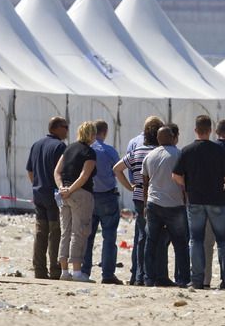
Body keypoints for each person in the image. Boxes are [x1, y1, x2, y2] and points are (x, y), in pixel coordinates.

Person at [172, 115, 225, 290]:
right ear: (210, 130)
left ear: (195, 130)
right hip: (217, 200)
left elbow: (175, 175)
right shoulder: (219, 151)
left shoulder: (187, 151)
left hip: (195, 200)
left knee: (196, 240)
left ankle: (197, 280)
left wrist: (187, 185)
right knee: (224, 241)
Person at [114, 116, 163, 285]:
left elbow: (117, 169)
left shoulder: (136, 150)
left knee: (142, 236)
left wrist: (130, 186)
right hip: (158, 197)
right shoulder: (161, 152)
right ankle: (153, 274)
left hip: (139, 197)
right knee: (156, 237)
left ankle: (138, 276)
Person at [142, 126, 189, 287]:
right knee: (180, 244)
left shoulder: (150, 156)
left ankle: (150, 278)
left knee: (151, 242)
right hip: (175, 204)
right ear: (172, 137)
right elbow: (184, 180)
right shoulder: (179, 154)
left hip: (154, 203)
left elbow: (145, 183)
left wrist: (144, 205)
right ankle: (183, 279)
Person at [81, 120, 125, 285]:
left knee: (87, 236)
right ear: (105, 132)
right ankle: (107, 274)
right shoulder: (109, 150)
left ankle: (84, 271)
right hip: (107, 196)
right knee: (109, 237)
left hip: (89, 196)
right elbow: (118, 169)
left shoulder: (85, 149)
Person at [54, 121, 98, 282]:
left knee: (65, 231)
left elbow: (57, 171)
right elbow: (84, 176)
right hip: (80, 193)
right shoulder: (89, 152)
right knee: (80, 231)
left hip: (64, 194)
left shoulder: (68, 148)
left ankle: (64, 271)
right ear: (92, 134)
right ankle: (77, 272)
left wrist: (62, 188)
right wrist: (71, 189)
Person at [26, 116, 68, 279]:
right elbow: (62, 171)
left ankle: (39, 270)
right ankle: (55, 270)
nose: (67, 130)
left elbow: (30, 170)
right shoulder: (59, 147)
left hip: (39, 194)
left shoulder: (36, 145)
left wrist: (37, 185)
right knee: (55, 232)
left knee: (40, 232)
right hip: (53, 195)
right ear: (56, 128)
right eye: (65, 127)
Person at [200, 118, 225, 288]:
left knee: (208, 243)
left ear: (216, 131)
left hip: (208, 197)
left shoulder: (210, 149)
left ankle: (206, 279)